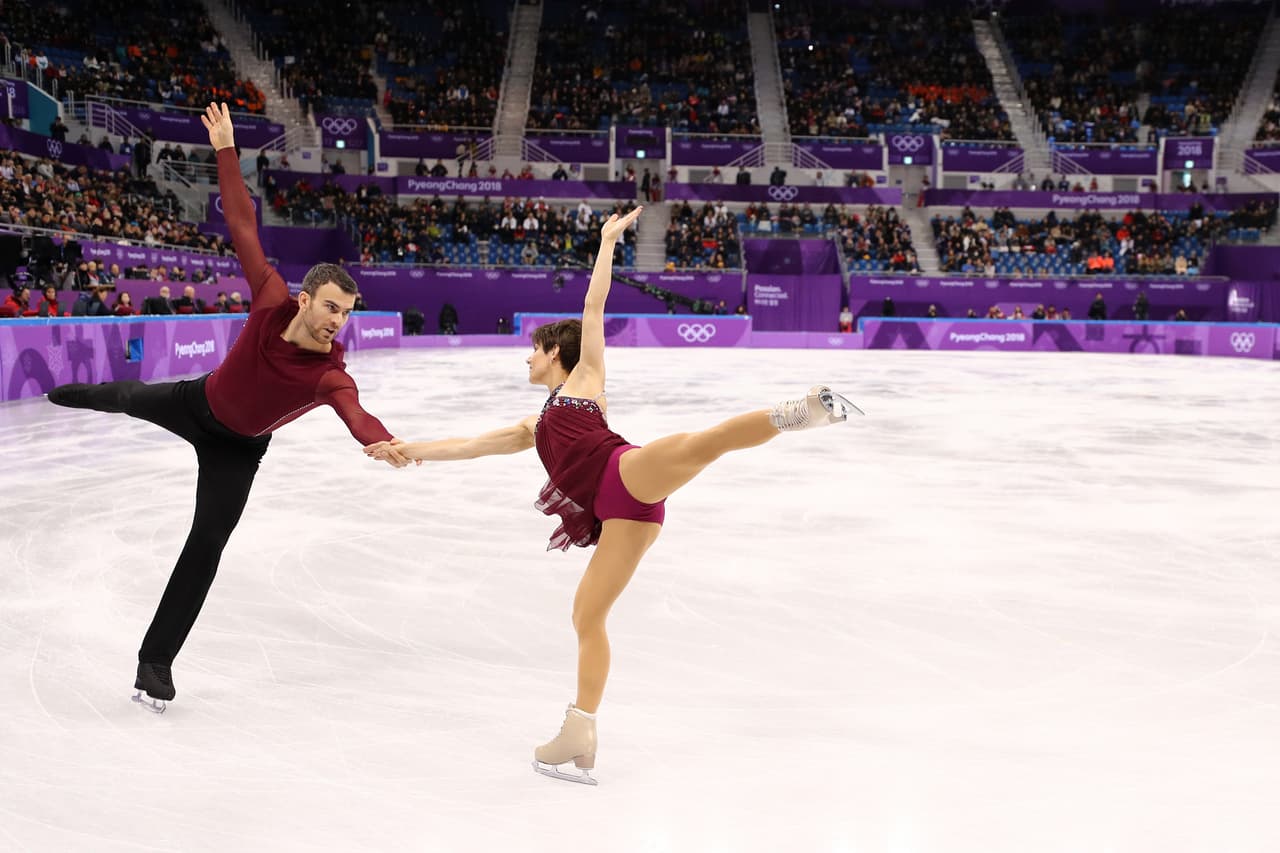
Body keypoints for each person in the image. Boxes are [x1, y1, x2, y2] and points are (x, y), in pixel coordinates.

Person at [365, 207, 860, 785]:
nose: (526, 356)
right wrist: (409, 447)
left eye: (534, 348)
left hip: (626, 475)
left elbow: (593, 306)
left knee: (703, 443)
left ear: (556, 353)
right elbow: (473, 445)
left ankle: (806, 410)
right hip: (625, 514)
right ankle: (581, 731)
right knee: (586, 614)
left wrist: (605, 243)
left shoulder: (585, 382)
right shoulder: (534, 423)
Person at [46, 103, 408, 713]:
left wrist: (382, 439)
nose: (337, 322)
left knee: (204, 546)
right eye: (330, 308)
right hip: (196, 400)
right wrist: (225, 149)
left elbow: (356, 414)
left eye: (345, 312)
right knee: (128, 397)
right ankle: (59, 394)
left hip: (237, 452)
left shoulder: (328, 374)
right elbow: (242, 224)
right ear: (304, 300)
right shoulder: (270, 298)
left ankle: (154, 663)